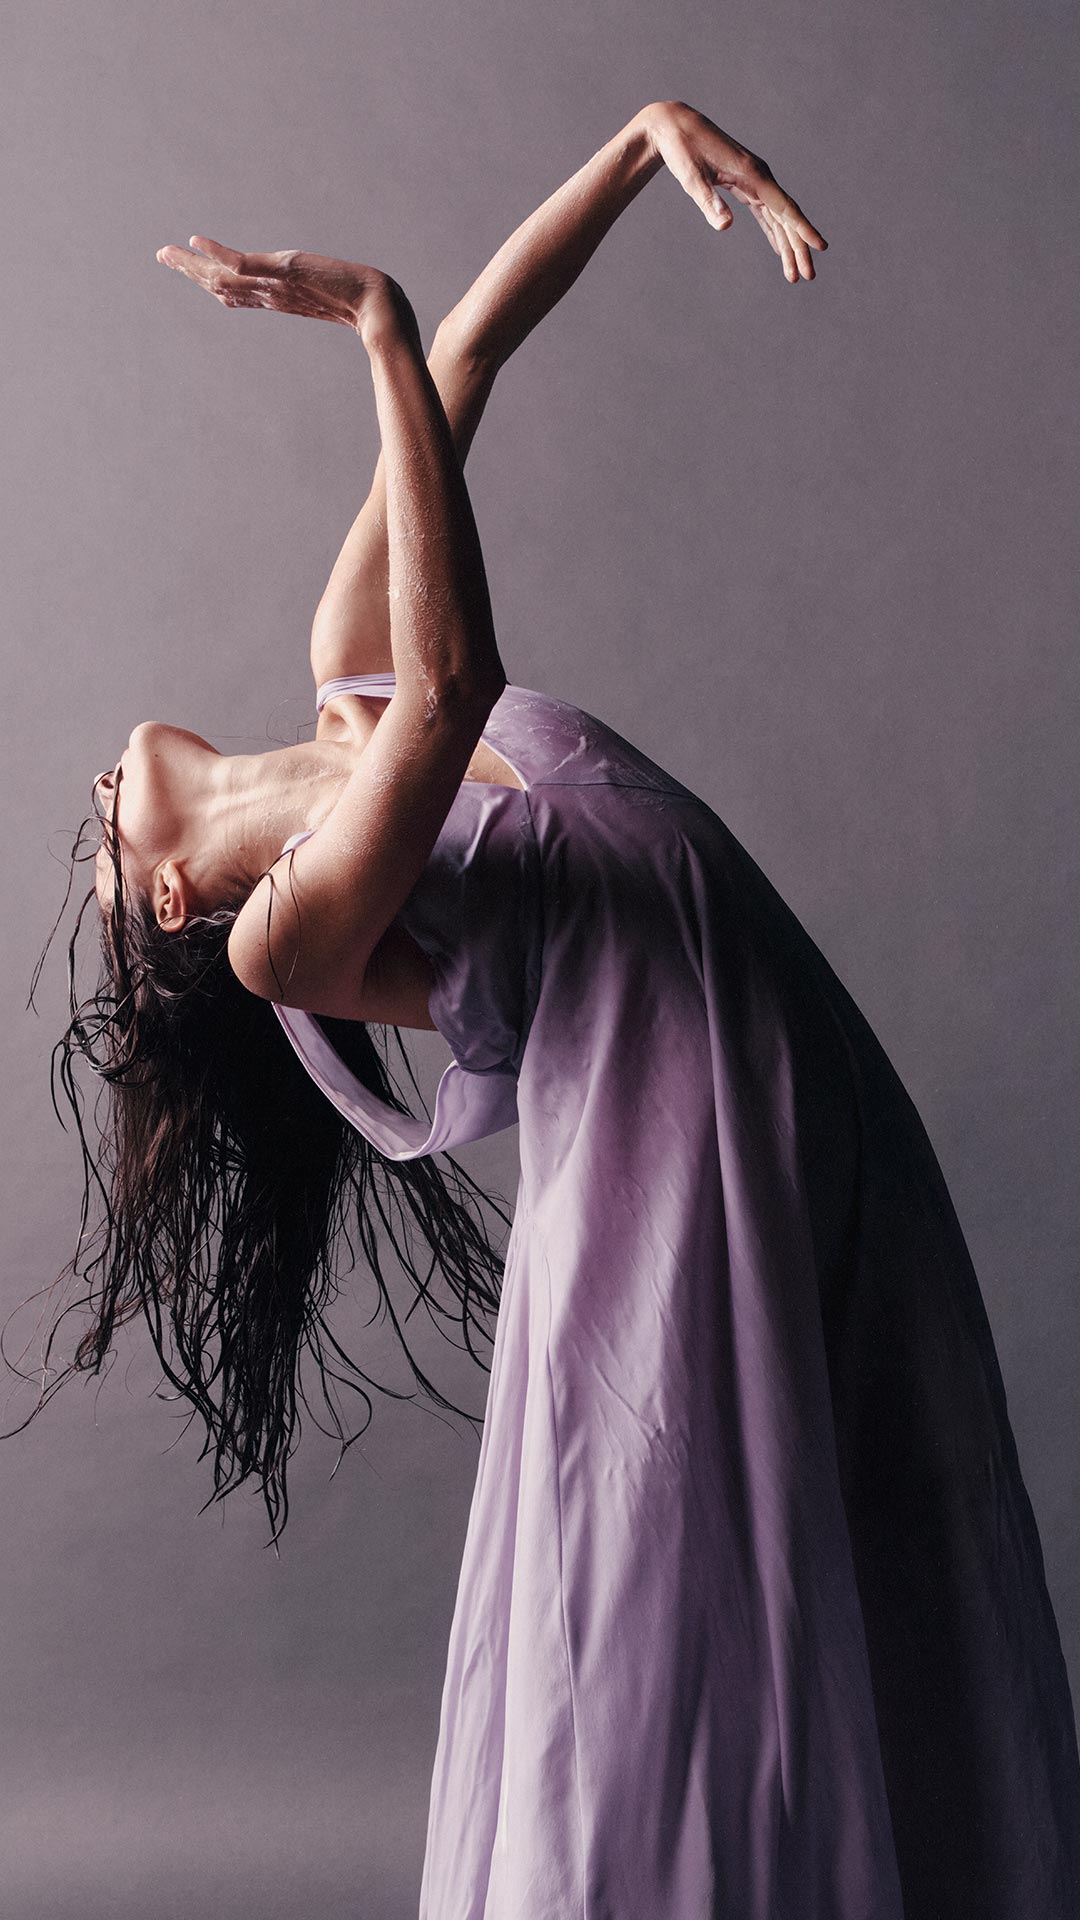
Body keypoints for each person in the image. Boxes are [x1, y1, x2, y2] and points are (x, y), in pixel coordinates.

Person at [21, 100, 1080, 1918]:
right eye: (97, 854)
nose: (89, 808)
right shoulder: (284, 939)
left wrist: (641, 147)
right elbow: (460, 691)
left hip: (772, 1052)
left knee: (859, 1487)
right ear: (175, 901)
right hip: (672, 1144)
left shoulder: (335, 652)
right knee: (672, 1591)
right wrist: (370, 332)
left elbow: (472, 351)